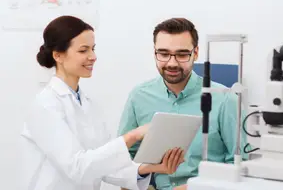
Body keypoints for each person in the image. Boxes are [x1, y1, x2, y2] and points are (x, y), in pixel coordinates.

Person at [19, 15, 185, 190]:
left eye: (93, 49)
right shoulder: (45, 105)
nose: (93, 56)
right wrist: (133, 136)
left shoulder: (88, 104)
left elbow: (104, 166)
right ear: (58, 55)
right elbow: (78, 168)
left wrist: (151, 168)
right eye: (83, 50)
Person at [117, 18, 249, 190]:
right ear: (154, 52)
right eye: (164, 54)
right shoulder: (139, 96)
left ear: (195, 53)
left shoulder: (225, 99)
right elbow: (123, 162)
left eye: (181, 54)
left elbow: (240, 167)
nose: (172, 63)